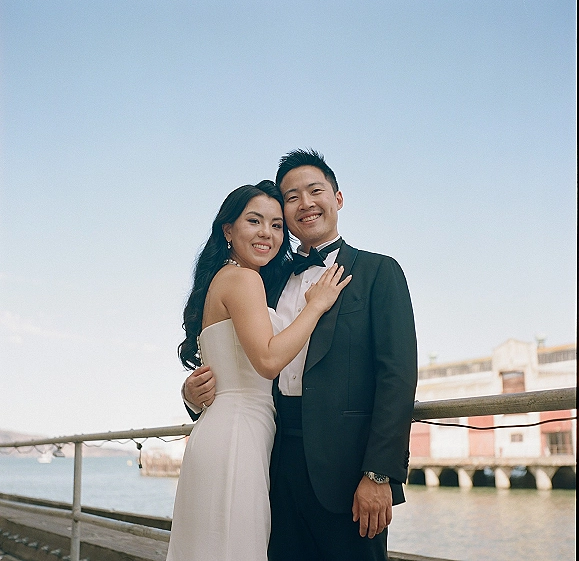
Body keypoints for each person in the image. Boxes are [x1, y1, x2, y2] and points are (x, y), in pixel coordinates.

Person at [184, 150, 418, 560]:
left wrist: (379, 474)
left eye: (315, 191)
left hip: (347, 473)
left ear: (338, 198)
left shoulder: (379, 272)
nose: (306, 203)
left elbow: (397, 378)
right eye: (292, 197)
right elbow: (239, 359)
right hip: (269, 462)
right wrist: (192, 395)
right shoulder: (264, 279)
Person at [167, 179, 351, 561]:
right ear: (228, 230)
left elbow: (224, 364)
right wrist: (315, 306)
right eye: (254, 221)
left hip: (232, 429)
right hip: (238, 432)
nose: (267, 233)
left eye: (276, 224)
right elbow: (267, 361)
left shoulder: (233, 278)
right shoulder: (243, 278)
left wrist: (191, 394)